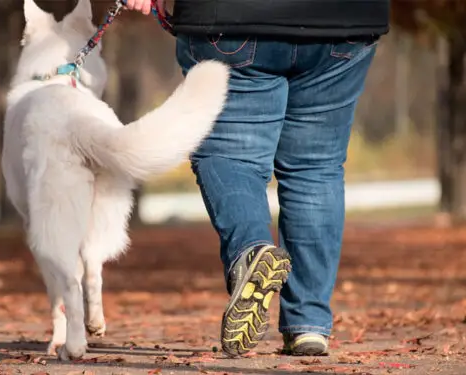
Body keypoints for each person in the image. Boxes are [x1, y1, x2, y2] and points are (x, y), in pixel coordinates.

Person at [126, 0, 389, 357]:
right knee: (316, 168)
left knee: (229, 154)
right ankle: (308, 324)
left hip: (232, 19)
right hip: (343, 21)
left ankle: (251, 250)